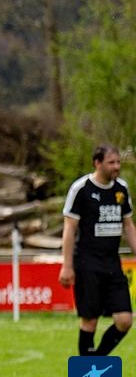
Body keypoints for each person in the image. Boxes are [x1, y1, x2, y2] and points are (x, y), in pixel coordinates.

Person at [59, 144, 135, 357]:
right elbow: (69, 228)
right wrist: (67, 266)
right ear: (97, 163)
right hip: (87, 263)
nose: (117, 166)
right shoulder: (81, 188)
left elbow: (128, 225)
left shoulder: (121, 189)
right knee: (90, 321)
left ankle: (98, 361)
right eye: (111, 162)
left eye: (118, 162)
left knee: (124, 320)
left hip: (112, 264)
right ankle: (87, 372)